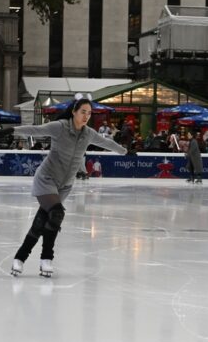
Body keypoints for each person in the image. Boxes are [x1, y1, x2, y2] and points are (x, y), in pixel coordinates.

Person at [10, 95, 127, 278]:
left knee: (43, 221)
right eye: (83, 112)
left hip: (64, 185)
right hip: (47, 178)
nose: (86, 116)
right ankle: (46, 258)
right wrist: (12, 130)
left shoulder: (88, 133)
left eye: (89, 113)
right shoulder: (60, 127)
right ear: (73, 112)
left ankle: (20, 258)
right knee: (56, 213)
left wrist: (125, 152)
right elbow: (36, 129)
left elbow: (106, 142)